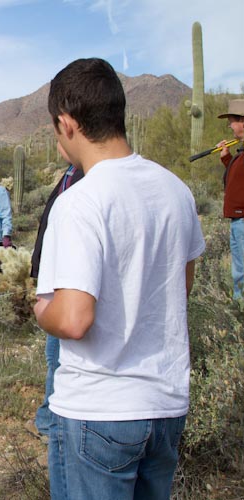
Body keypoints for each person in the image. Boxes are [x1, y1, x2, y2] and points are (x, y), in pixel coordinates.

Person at [33, 58, 205, 500]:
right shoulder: (176, 191)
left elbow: (73, 319)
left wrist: (41, 310)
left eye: (55, 127)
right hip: (165, 407)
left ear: (67, 123)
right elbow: (179, 287)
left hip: (100, 410)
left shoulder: (79, 202)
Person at [30, 144, 83, 439]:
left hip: (66, 280)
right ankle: (49, 417)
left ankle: (52, 422)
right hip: (55, 277)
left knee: (59, 356)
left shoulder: (85, 176)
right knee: (55, 356)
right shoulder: (71, 173)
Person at [215, 99, 244, 300]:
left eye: (232, 120)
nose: (229, 125)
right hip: (238, 220)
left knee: (241, 273)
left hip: (243, 220)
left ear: (242, 121)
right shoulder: (241, 153)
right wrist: (227, 158)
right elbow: (237, 180)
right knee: (239, 272)